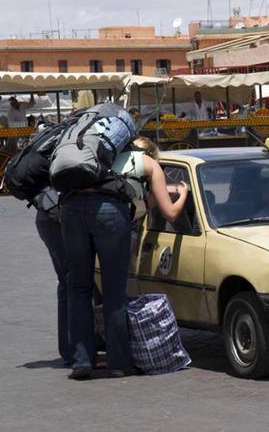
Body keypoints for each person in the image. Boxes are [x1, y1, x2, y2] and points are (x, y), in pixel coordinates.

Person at [62, 137, 188, 380]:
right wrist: (181, 194)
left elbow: (140, 203)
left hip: (72, 209)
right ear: (151, 153)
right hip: (110, 215)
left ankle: (82, 361)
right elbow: (171, 213)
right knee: (114, 292)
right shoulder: (147, 163)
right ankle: (118, 363)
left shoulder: (95, 157)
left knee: (78, 289)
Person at [33, 187, 71, 364]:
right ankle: (75, 351)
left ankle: (71, 350)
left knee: (67, 283)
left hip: (47, 210)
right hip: (59, 214)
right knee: (72, 283)